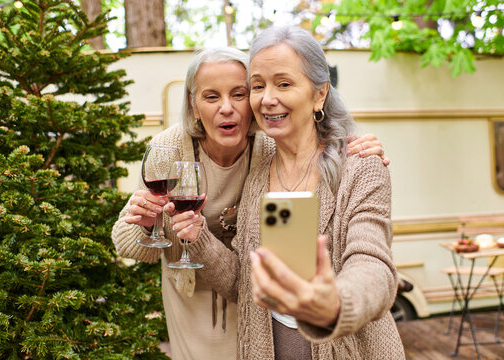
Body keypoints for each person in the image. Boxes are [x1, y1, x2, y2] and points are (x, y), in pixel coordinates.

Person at [112, 47, 389, 359]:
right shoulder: (169, 148)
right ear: (193, 104)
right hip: (193, 295)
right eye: (211, 96)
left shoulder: (271, 148)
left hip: (252, 296)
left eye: (240, 93)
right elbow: (128, 244)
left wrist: (349, 144)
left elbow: (312, 148)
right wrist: (148, 227)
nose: (226, 108)